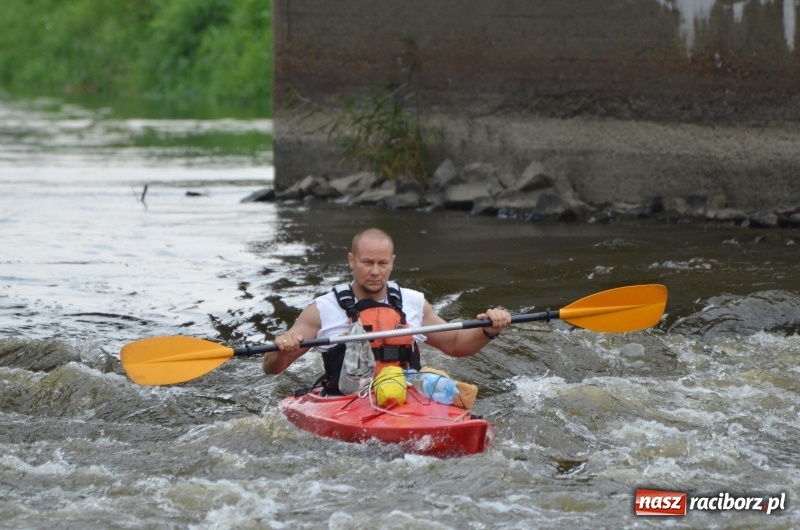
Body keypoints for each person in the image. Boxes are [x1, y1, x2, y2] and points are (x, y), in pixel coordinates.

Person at [263, 227, 512, 395]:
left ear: (392, 262)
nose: (375, 271)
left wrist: (488, 330)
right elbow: (272, 367)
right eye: (367, 262)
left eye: (382, 263)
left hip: (403, 396)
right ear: (351, 260)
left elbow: (456, 344)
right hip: (346, 401)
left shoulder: (413, 302)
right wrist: (282, 348)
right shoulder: (322, 309)